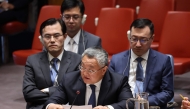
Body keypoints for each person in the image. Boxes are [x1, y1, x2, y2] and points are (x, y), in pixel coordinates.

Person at [108, 18, 174, 109]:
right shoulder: (116, 60)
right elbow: (109, 89)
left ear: (152, 39)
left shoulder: (163, 61)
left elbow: (168, 92)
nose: (138, 44)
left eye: (143, 40)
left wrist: (146, 101)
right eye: (134, 39)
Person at [43, 47, 134, 109]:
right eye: (82, 67)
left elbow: (129, 103)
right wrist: (51, 106)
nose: (85, 73)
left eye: (91, 70)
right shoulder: (69, 79)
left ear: (103, 70)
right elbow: (52, 100)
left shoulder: (118, 81)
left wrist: (108, 108)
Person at [22, 18, 81, 109]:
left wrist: (48, 90)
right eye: (47, 36)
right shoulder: (32, 60)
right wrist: (62, 95)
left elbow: (76, 92)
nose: (52, 40)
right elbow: (28, 93)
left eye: (56, 35)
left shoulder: (77, 60)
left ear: (65, 36)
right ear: (41, 38)